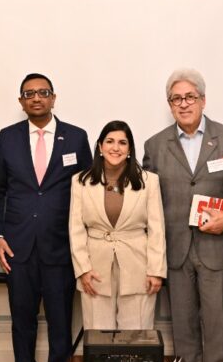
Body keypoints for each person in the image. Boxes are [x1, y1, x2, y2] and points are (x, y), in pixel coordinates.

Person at [143, 69, 223, 362]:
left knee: (218, 330)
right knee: (183, 330)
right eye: (176, 98)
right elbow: (147, 201)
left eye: (190, 97)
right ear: (169, 104)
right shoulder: (155, 146)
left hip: (218, 250)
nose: (183, 104)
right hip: (175, 251)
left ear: (202, 100)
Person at [0, 74, 91, 362]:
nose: (36, 98)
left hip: (60, 247)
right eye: (29, 93)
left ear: (53, 98)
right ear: (21, 101)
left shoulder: (76, 137)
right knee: (22, 323)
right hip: (17, 248)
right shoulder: (7, 138)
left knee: (60, 324)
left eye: (43, 92)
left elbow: (87, 191)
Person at [69, 121, 167, 329]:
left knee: (136, 335)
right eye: (110, 141)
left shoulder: (149, 181)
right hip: (94, 269)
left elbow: (157, 229)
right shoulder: (80, 181)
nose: (116, 148)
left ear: (130, 149)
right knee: (98, 335)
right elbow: (76, 229)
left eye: (122, 143)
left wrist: (156, 271)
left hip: (139, 268)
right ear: (100, 146)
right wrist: (83, 269)